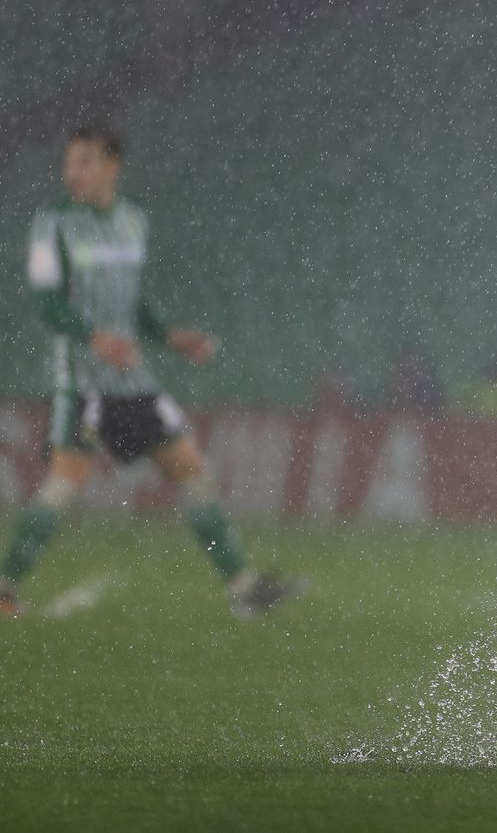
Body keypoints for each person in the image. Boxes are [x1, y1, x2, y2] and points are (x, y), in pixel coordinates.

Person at [0, 125, 303, 619]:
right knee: (65, 481)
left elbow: (130, 298)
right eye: (69, 162)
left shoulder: (132, 223)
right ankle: (5, 587)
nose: (72, 172)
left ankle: (242, 587)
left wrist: (167, 334)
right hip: (85, 380)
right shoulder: (51, 224)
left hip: (132, 380)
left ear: (112, 166)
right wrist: (96, 337)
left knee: (188, 466)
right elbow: (47, 301)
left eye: (85, 162)